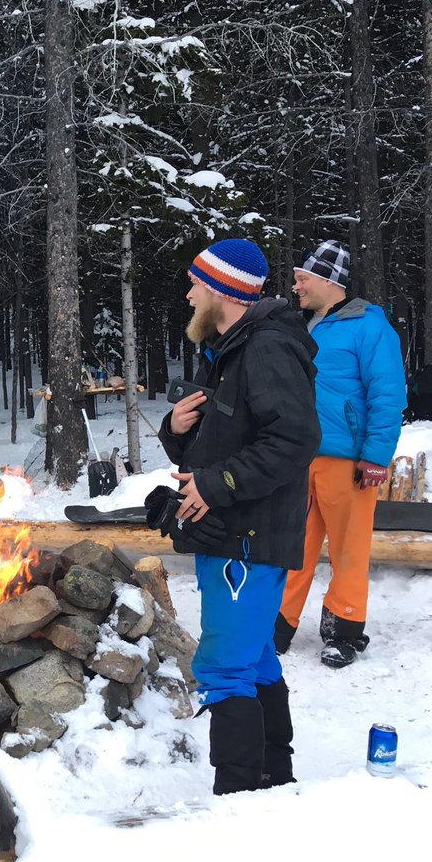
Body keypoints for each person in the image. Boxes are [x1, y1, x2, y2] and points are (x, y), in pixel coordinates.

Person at [156, 239, 320, 795]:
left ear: (222, 291)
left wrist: (217, 483)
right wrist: (177, 431)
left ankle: (239, 798)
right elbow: (230, 440)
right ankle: (275, 776)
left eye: (196, 284)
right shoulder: (228, 349)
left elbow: (295, 440)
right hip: (233, 533)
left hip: (248, 539)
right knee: (254, 662)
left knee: (225, 668)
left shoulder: (267, 348)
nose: (189, 293)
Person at [276, 241, 407, 668]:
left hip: (348, 459)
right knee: (292, 545)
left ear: (328, 281)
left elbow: (388, 395)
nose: (296, 286)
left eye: (302, 278)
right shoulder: (303, 324)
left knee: (349, 550)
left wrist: (375, 456)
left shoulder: (370, 328)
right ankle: (278, 626)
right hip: (298, 457)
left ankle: (344, 632)